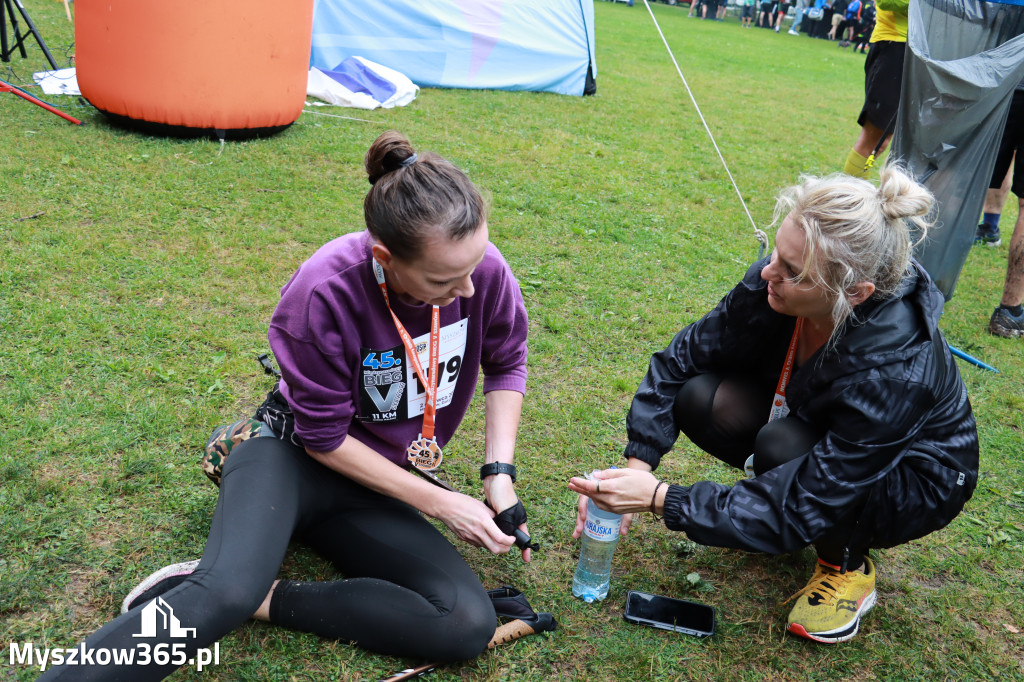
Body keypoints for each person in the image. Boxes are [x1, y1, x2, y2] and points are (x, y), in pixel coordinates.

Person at [39, 130, 532, 681]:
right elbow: (322, 437)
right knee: (222, 591)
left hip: (374, 481)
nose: (467, 289)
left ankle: (265, 597)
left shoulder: (478, 269)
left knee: (466, 622)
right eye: (443, 279)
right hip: (288, 456)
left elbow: (507, 360)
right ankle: (225, 591)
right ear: (384, 258)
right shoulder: (325, 288)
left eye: (474, 268)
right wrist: (443, 504)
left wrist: (498, 473)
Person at [569, 166, 979, 644]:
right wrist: (636, 466)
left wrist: (660, 498)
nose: (768, 273)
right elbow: (680, 360)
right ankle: (763, 507)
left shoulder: (898, 371)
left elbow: (806, 501)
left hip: (918, 480)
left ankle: (845, 563)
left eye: (792, 273)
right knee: (700, 397)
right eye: (777, 256)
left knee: (785, 450)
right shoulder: (774, 281)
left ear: (855, 294)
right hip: (816, 425)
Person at [977, 77, 1024, 337]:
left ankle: (919, 285)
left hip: (1005, 82)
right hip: (1006, 83)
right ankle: (1009, 312)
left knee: (967, 180)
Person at [842, 0, 908, 178]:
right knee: (874, 139)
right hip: (894, 47)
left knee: (884, 140)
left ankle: (854, 191)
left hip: (919, 52)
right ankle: (849, 201)